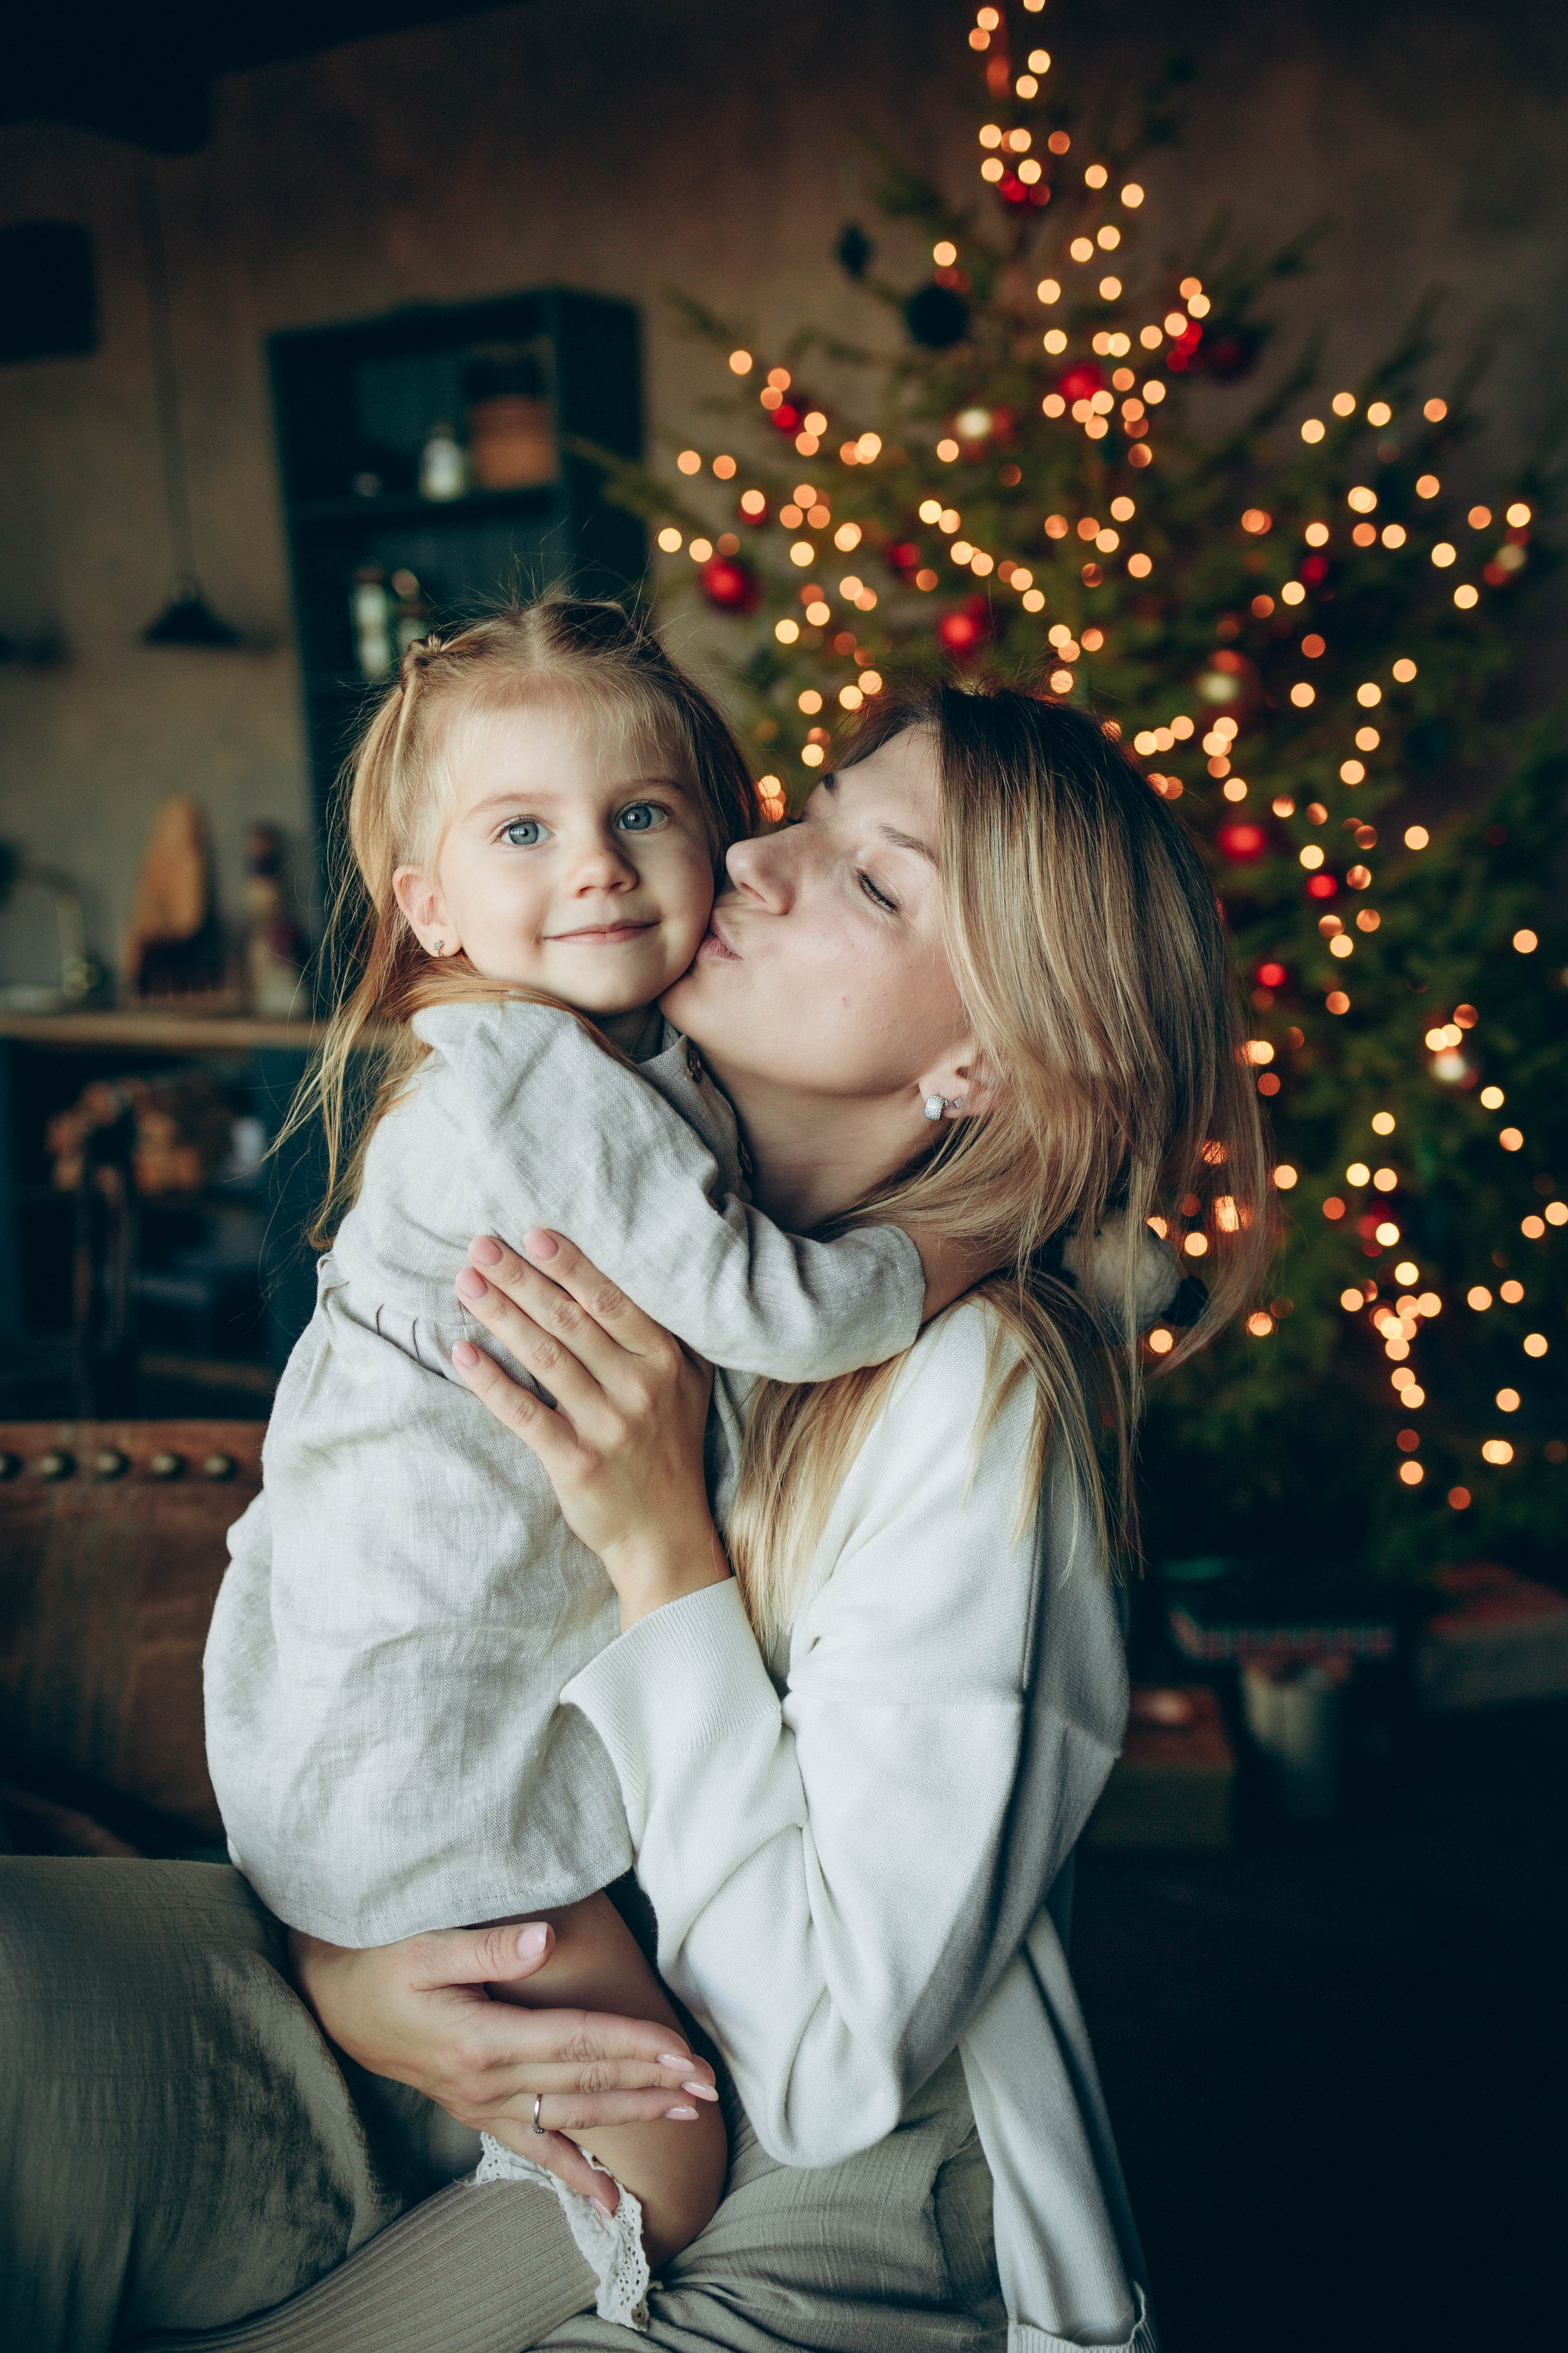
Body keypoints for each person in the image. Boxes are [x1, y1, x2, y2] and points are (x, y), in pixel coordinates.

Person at [0, 684, 1267, 2353]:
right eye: (808, 809)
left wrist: (659, 1542)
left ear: (990, 1055)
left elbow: (818, 2065)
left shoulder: (980, 1404)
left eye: (876, 883)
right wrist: (355, 1978)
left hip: (807, 2185)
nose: (756, 859)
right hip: (480, 1982)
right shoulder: (628, 1186)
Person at [203, 599, 943, 2299]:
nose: (596, 864)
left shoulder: (637, 1063)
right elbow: (774, 1301)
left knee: (623, 2099)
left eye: (642, 812)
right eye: (523, 829)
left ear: (715, 833)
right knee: (667, 2147)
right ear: (431, 906)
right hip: (410, 1716)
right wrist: (975, 1248)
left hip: (420, 1694)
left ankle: (398, 2165)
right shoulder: (517, 1070)